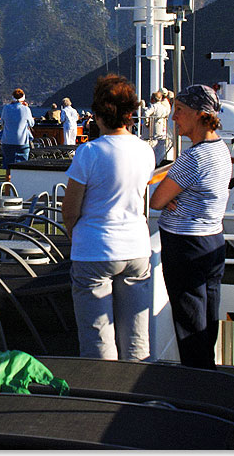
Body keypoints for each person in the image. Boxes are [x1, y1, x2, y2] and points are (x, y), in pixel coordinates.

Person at [61, 75, 155, 360]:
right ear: (129, 113)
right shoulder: (145, 150)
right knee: (137, 336)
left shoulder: (89, 152)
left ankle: (102, 396)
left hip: (95, 249)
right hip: (137, 249)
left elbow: (70, 208)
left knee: (97, 337)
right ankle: (135, 398)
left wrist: (75, 234)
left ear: (99, 114)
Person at [149, 84, 232, 370]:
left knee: (189, 322)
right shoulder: (221, 150)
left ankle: (197, 388)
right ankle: (208, 378)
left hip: (186, 247)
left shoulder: (193, 158)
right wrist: (178, 194)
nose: (174, 117)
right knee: (207, 318)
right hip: (213, 242)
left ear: (199, 115)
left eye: (180, 111)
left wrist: (172, 195)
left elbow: (157, 201)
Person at [0, 88, 34, 182]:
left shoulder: (6, 108)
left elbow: (2, 122)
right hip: (22, 141)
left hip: (7, 141)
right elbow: (31, 123)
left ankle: (7, 190)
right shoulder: (26, 109)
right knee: (22, 167)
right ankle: (21, 189)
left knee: (8, 168)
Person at [144, 89, 171, 163]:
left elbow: (146, 113)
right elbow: (166, 114)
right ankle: (157, 162)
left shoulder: (154, 107)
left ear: (152, 99)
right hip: (160, 130)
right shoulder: (163, 107)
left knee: (152, 146)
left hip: (152, 132)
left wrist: (147, 123)